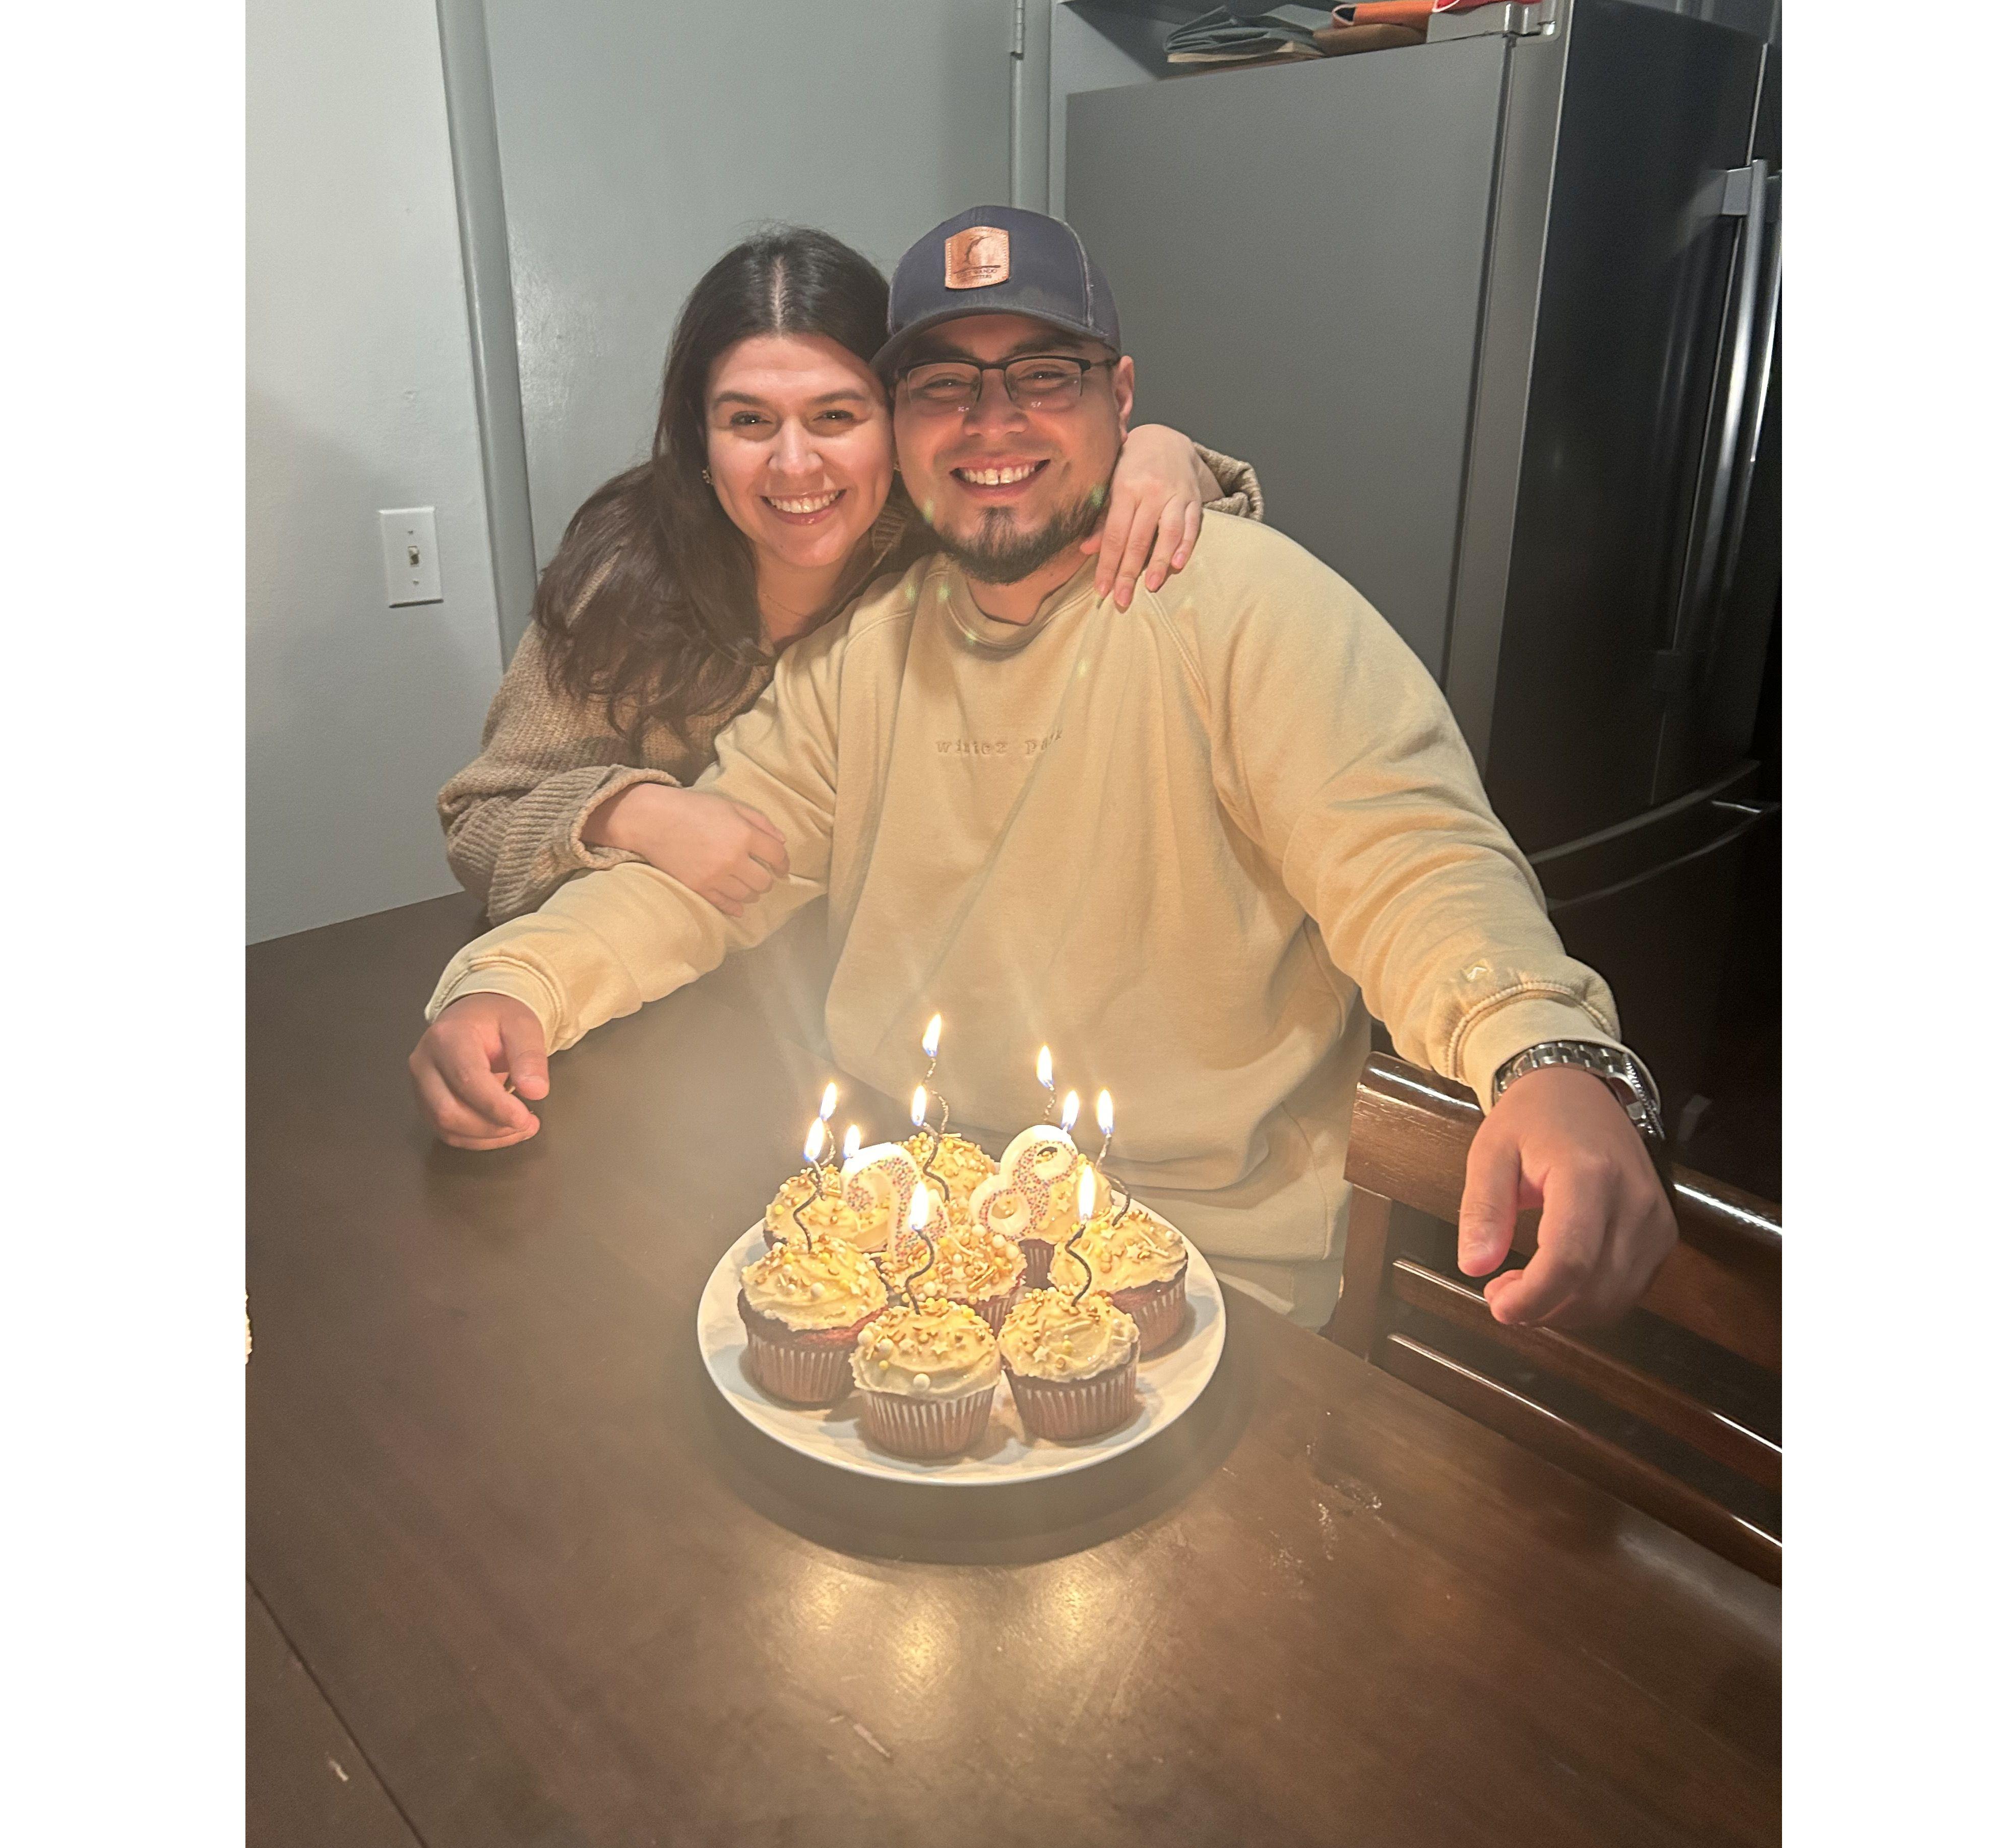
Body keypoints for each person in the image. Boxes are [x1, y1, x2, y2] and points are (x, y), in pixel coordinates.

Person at [410, 206, 1676, 1333]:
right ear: (903, 434)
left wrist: (1547, 1051)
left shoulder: (1247, 607)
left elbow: (1407, 853)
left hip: (1197, 1273)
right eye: (945, 388)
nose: (993, 424)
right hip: (909, 1238)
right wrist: (516, 986)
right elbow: (712, 868)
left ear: (1123, 401)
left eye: (1044, 377)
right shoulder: (865, 652)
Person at [439, 225, 1258, 925]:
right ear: (701, 433)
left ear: (900, 418)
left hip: (852, 1009)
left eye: (837, 415)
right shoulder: (630, 576)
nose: (794, 465)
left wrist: (1159, 450)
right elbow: (480, 821)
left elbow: (1161, 557)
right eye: (750, 421)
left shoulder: (943, 540)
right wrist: (633, 812)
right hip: (636, 993)